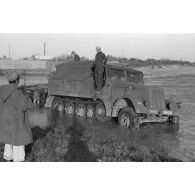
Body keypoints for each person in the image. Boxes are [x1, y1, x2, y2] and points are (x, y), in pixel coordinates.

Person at [0, 71, 34, 162]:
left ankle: (7, 158)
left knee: (8, 141)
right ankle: (18, 160)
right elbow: (29, 106)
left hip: (6, 123)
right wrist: (29, 96)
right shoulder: (19, 94)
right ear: (16, 81)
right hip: (17, 124)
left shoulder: (2, 91)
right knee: (18, 144)